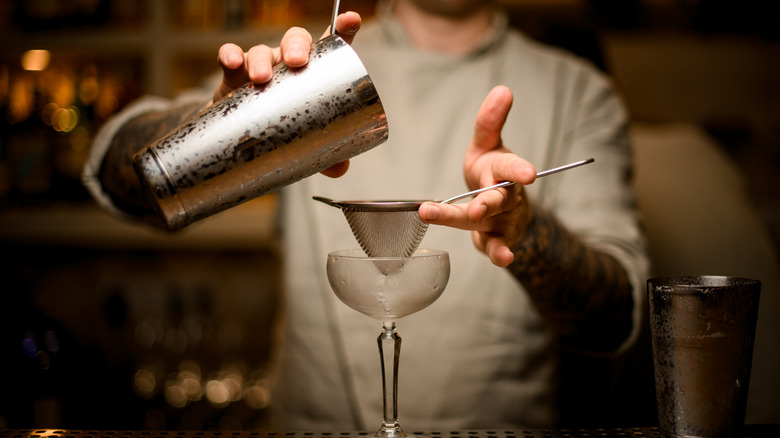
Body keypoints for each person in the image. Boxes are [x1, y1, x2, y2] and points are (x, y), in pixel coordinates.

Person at [83, 0, 649, 430]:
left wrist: (525, 231)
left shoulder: (578, 90)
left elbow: (616, 316)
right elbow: (114, 167)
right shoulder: (305, 74)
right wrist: (213, 132)